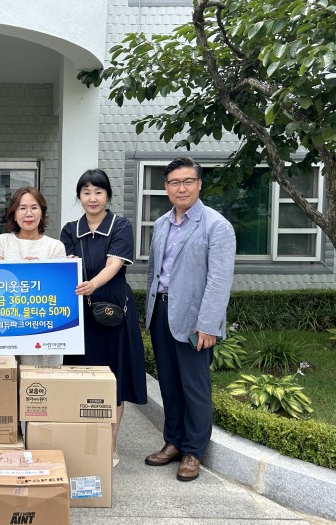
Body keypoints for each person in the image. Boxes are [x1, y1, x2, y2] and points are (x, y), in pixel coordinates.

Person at [145, 156, 236, 482]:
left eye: (187, 181)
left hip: (195, 320)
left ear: (199, 184)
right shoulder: (161, 223)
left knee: (194, 387)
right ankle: (173, 442)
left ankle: (194, 452)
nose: (180, 188)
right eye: (174, 182)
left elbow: (219, 280)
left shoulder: (216, 225)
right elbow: (155, 271)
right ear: (166, 187)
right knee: (169, 384)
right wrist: (150, 313)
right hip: (161, 314)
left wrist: (209, 324)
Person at [60, 169, 148, 467]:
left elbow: (114, 264)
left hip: (112, 309)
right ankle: (83, 442)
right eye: (86, 192)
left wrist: (92, 285)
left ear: (107, 195)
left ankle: (109, 445)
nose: (92, 198)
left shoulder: (120, 226)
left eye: (98, 192)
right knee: (80, 376)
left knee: (113, 379)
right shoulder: (70, 230)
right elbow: (65, 265)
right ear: (79, 197)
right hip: (80, 312)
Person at [0, 186, 66, 366]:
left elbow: (58, 289)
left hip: (42, 325)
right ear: (14, 213)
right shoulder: (1, 241)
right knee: (6, 375)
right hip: (7, 324)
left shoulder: (55, 247)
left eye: (34, 207)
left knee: (41, 377)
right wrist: (22, 270)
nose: (28, 213)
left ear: (42, 212)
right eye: (22, 208)